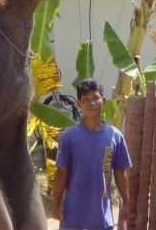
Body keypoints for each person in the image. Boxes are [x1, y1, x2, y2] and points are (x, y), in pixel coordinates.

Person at [52, 78, 131, 230]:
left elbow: (120, 172)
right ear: (79, 103)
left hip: (101, 219)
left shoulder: (115, 136)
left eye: (96, 98)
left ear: (104, 101)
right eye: (86, 99)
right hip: (72, 218)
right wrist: (56, 206)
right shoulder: (68, 137)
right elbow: (61, 172)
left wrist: (126, 204)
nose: (91, 103)